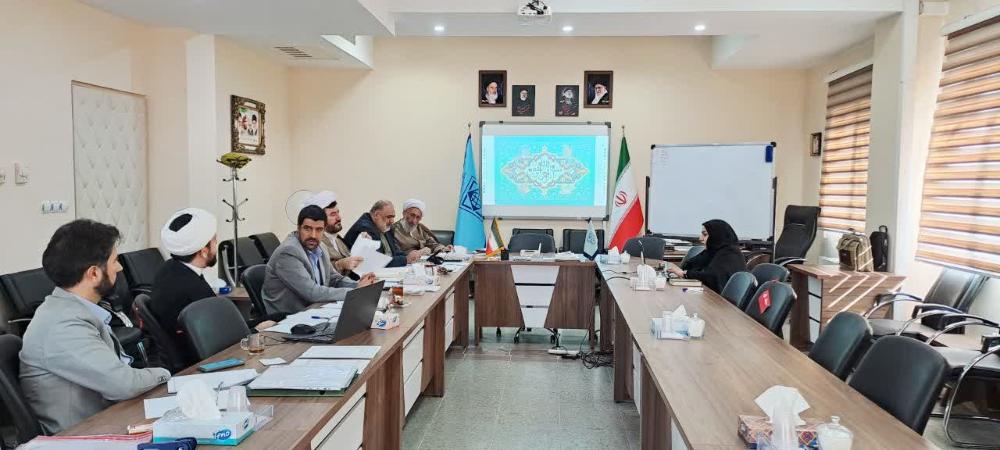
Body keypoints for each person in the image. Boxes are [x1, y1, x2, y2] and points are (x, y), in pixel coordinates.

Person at [20, 219, 171, 434]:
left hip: (107, 421)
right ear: (93, 273)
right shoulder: (63, 325)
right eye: (115, 261)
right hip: (81, 437)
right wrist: (166, 373)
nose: (119, 268)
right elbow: (124, 384)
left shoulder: (72, 310)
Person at [151, 208, 277, 363]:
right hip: (205, 360)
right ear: (204, 251)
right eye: (214, 240)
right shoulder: (193, 289)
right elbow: (221, 338)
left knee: (277, 316)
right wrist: (256, 330)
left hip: (193, 344)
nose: (216, 244)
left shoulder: (168, 269)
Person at [262, 206, 376, 314]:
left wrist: (359, 285)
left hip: (314, 310)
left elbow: (334, 279)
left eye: (319, 230)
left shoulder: (321, 246)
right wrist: (356, 292)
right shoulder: (288, 252)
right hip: (288, 317)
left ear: (324, 230)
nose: (313, 235)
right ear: (298, 228)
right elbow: (312, 293)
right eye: (307, 229)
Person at [666, 219, 747, 293]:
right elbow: (690, 264)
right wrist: (681, 272)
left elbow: (711, 276)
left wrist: (685, 274)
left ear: (716, 236)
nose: (700, 238)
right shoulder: (713, 251)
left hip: (720, 301)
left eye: (705, 234)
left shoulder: (730, 253)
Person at [302, 191, 364, 277]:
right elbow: (317, 272)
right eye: (333, 214)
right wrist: (339, 265)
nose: (339, 218)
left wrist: (362, 243)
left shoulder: (337, 239)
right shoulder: (314, 243)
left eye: (338, 212)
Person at [344, 200, 420, 267]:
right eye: (389, 217)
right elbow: (378, 261)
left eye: (393, 217)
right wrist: (405, 259)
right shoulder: (365, 228)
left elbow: (393, 251)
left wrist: (409, 255)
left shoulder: (383, 226)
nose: (392, 221)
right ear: (376, 215)